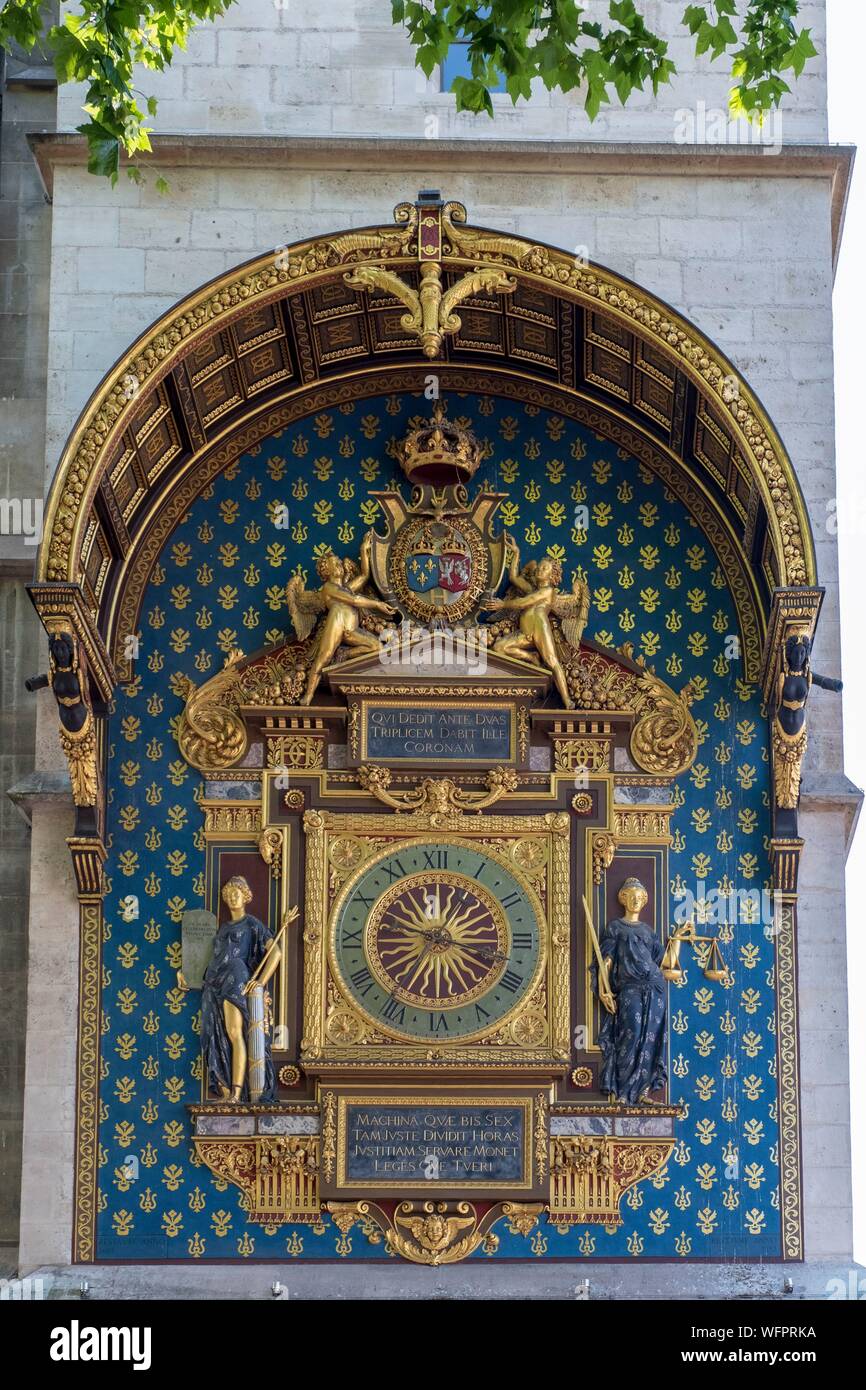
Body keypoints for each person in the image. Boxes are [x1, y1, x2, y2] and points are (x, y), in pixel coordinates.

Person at [590, 877, 667, 1104]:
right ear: (623, 898)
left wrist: (679, 938)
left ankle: (643, 1092)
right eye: (631, 895)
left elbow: (665, 963)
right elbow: (606, 963)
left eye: (639, 896)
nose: (635, 899)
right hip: (630, 988)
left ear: (644, 901)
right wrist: (604, 991)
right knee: (630, 1034)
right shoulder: (615, 927)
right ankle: (623, 1092)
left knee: (651, 1039)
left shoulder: (648, 931)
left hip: (655, 988)